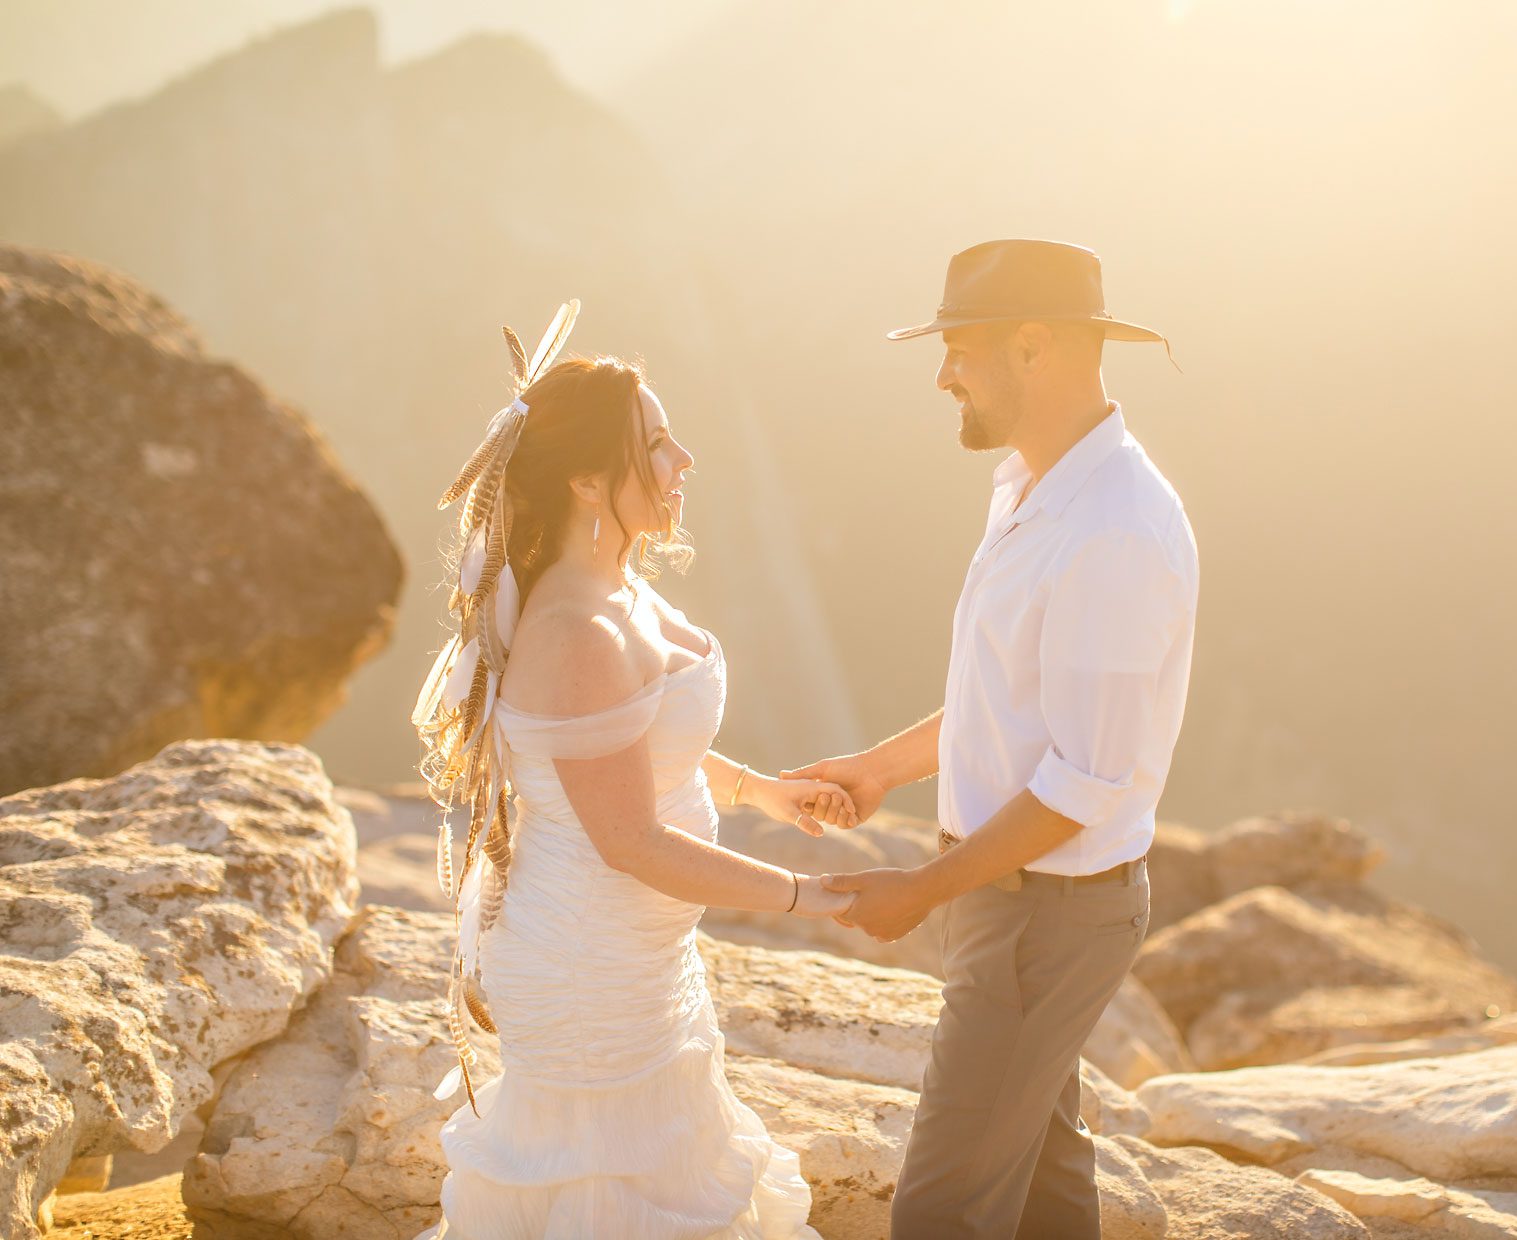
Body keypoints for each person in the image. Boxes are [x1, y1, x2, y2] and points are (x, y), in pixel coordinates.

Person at [784, 239, 1199, 1239]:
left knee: (940, 1213)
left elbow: (1083, 781)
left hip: (1042, 920)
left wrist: (923, 890)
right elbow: (1006, 703)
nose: (942, 375)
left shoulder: (1113, 529)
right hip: (1011, 904)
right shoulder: (1028, 487)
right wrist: (877, 769)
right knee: (1047, 1197)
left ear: (1030, 346)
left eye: (956, 348)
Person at [411, 302, 853, 1239]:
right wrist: (818, 899)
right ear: (584, 480)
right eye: (656, 444)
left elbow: (645, 748)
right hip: (588, 972)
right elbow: (631, 841)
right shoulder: (577, 630)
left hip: (638, 958)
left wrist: (763, 790)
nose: (683, 459)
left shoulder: (618, 585)